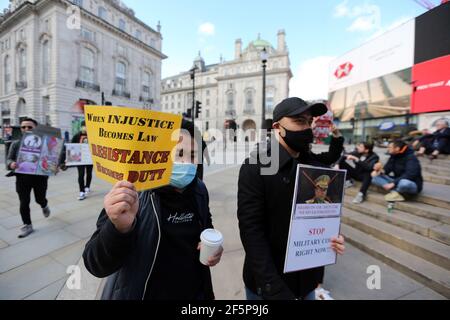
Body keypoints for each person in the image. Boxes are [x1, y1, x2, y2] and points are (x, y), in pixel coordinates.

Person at [83, 120, 223, 300]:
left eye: (193, 155)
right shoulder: (133, 193)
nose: (186, 162)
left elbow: (205, 227)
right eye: (178, 153)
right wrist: (119, 228)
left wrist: (211, 246)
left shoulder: (199, 190)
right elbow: (96, 264)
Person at [238, 97, 346, 301]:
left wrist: (331, 237)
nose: (306, 128)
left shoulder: (314, 166)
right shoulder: (255, 166)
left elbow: (320, 215)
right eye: (299, 121)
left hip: (306, 283)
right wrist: (274, 289)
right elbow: (251, 231)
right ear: (277, 127)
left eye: (309, 121)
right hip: (267, 286)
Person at [6, 118, 51, 238]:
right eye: (23, 127)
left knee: (39, 198)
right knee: (24, 202)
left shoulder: (45, 143)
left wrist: (54, 165)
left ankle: (44, 205)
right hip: (22, 178)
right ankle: (27, 225)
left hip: (40, 178)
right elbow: (9, 159)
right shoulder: (15, 144)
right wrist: (11, 164)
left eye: (30, 127)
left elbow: (52, 159)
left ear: (36, 128)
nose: (26, 129)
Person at [71, 122, 93, 200]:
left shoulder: (92, 136)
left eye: (86, 126)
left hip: (89, 158)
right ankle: (81, 191)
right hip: (80, 159)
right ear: (81, 127)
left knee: (89, 173)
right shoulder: (76, 136)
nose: (85, 128)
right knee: (81, 175)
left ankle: (87, 186)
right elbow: (71, 146)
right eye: (83, 126)